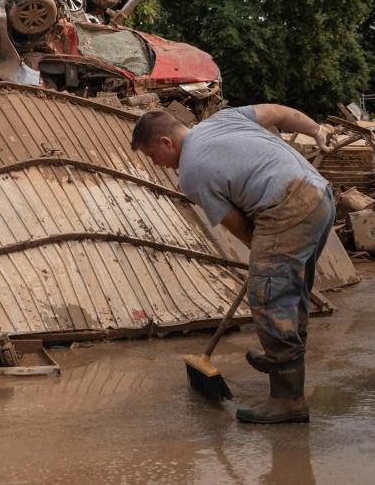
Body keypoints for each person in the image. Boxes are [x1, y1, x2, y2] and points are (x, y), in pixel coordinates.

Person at [130, 104, 335, 423]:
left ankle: (287, 398)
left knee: (269, 298)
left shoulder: (192, 173)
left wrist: (265, 264)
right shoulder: (222, 119)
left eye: (153, 156)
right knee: (291, 294)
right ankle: (283, 362)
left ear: (166, 143)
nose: (158, 165)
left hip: (287, 209)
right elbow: (278, 112)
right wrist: (316, 129)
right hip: (321, 198)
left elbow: (238, 225)